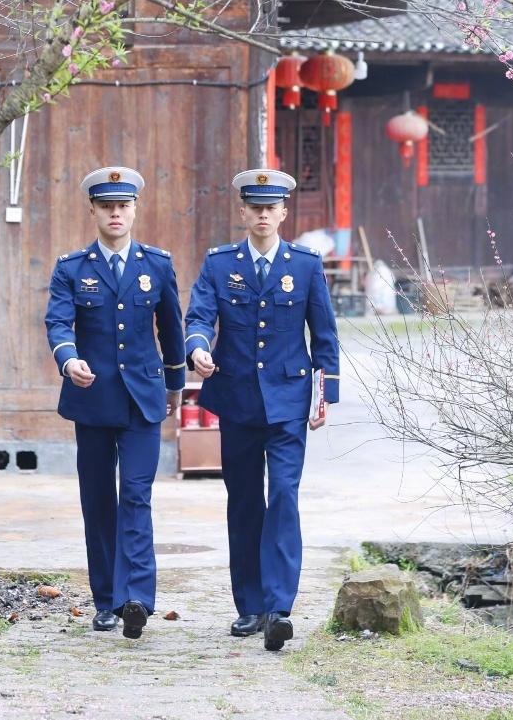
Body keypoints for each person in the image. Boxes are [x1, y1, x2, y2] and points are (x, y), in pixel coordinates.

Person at [185, 168, 340, 651]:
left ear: (284, 213)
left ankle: (279, 606)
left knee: (285, 498)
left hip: (290, 402)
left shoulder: (307, 265)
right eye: (255, 207)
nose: (264, 215)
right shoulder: (218, 264)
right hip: (236, 400)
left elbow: (325, 335)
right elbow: (199, 316)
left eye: (272, 207)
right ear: (243, 212)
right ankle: (249, 606)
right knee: (246, 501)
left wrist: (324, 395)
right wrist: (197, 348)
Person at [44, 166, 186, 640]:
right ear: (94, 211)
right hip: (92, 400)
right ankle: (106, 600)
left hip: (144, 400)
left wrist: (175, 385)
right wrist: (68, 361)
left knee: (137, 495)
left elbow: (172, 329)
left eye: (123, 206)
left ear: (134, 210)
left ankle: (137, 599)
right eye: (107, 206)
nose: (116, 214)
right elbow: (58, 324)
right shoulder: (72, 268)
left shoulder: (157, 265)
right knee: (98, 499)